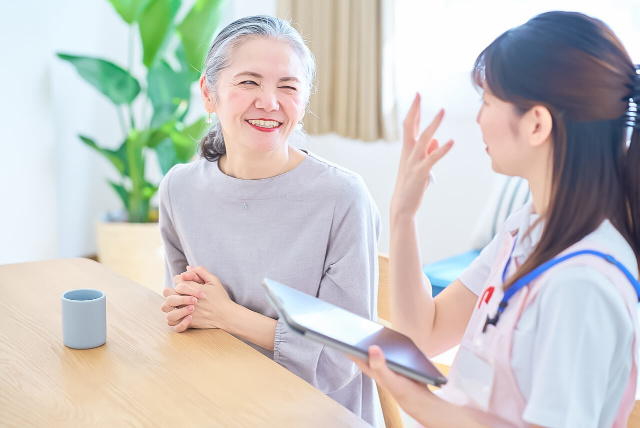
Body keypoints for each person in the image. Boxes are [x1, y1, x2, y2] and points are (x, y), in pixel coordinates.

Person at [351, 11, 640, 428]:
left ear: (536, 123)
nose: (479, 117)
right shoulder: (528, 225)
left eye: (486, 102)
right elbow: (425, 334)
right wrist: (403, 214)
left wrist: (417, 402)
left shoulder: (585, 282)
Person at [157, 15, 380, 424]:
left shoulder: (343, 198)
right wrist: (183, 309)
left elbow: (341, 357)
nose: (270, 101)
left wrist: (227, 315)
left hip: (317, 412)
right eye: (249, 82)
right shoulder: (178, 189)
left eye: (288, 86)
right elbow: (187, 314)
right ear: (209, 93)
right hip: (216, 398)